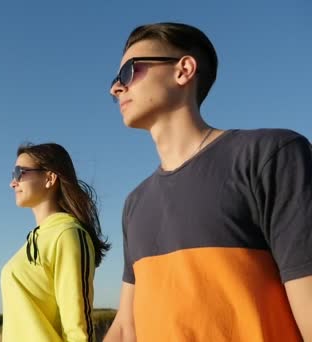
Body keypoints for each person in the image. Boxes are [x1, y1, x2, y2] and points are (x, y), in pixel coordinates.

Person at [103, 22, 312, 341]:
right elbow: (125, 327)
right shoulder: (135, 203)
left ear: (184, 70)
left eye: (130, 71)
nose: (116, 88)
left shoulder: (271, 156)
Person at [1, 142, 111, 341]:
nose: (13, 182)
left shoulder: (67, 233)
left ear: (50, 178)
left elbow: (78, 330)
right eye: (12, 175)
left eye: (20, 172)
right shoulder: (35, 240)